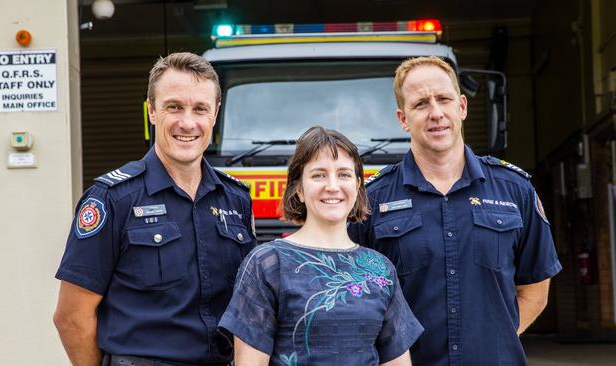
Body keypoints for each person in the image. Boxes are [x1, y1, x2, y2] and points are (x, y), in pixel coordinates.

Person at [348, 56, 562, 365]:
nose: (436, 113)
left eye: (444, 99)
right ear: (402, 118)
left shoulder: (514, 190)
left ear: (461, 107)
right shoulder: (372, 200)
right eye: (421, 104)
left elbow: (535, 287)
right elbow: (356, 300)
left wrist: (496, 340)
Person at [53, 52, 256, 366]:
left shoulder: (235, 199)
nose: (187, 122)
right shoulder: (112, 199)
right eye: (173, 107)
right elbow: (71, 317)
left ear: (215, 115)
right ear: (151, 111)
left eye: (200, 109)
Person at [219, 126, 423, 366]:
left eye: (344, 174)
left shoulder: (381, 269)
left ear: (358, 187)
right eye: (319, 175)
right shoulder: (266, 263)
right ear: (300, 190)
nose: (333, 186)